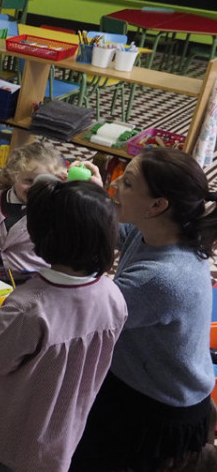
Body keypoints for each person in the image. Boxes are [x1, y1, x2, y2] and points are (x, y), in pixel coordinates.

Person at [70, 148, 217, 472]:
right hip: (139, 380)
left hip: (157, 407)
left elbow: (85, 316)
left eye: (129, 183)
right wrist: (96, 194)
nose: (117, 182)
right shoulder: (164, 233)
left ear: (157, 205)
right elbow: (118, 231)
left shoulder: (160, 279)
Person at [0, 178, 127, 472]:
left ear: (42, 238)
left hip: (20, 431)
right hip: (66, 428)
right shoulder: (113, 295)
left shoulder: (30, 304)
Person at [0, 141, 65, 283]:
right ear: (14, 175)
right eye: (28, 181)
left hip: (29, 280)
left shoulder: (55, 211)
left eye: (42, 182)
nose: (34, 188)